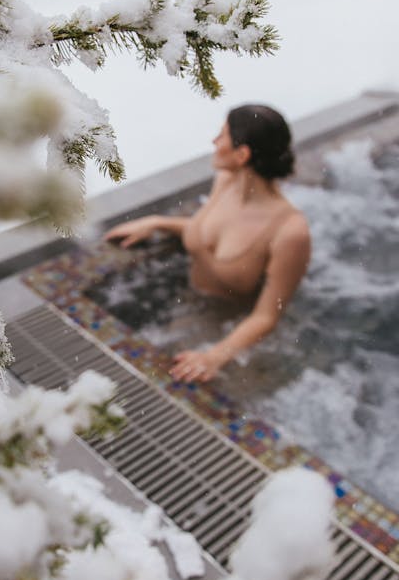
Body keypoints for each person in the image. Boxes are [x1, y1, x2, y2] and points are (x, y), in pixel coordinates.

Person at [104, 104, 311, 383]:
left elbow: (266, 317)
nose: (214, 142)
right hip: (188, 303)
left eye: (222, 135)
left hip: (231, 329)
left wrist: (215, 356)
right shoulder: (226, 181)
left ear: (242, 154)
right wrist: (157, 222)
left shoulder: (290, 232)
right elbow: (208, 231)